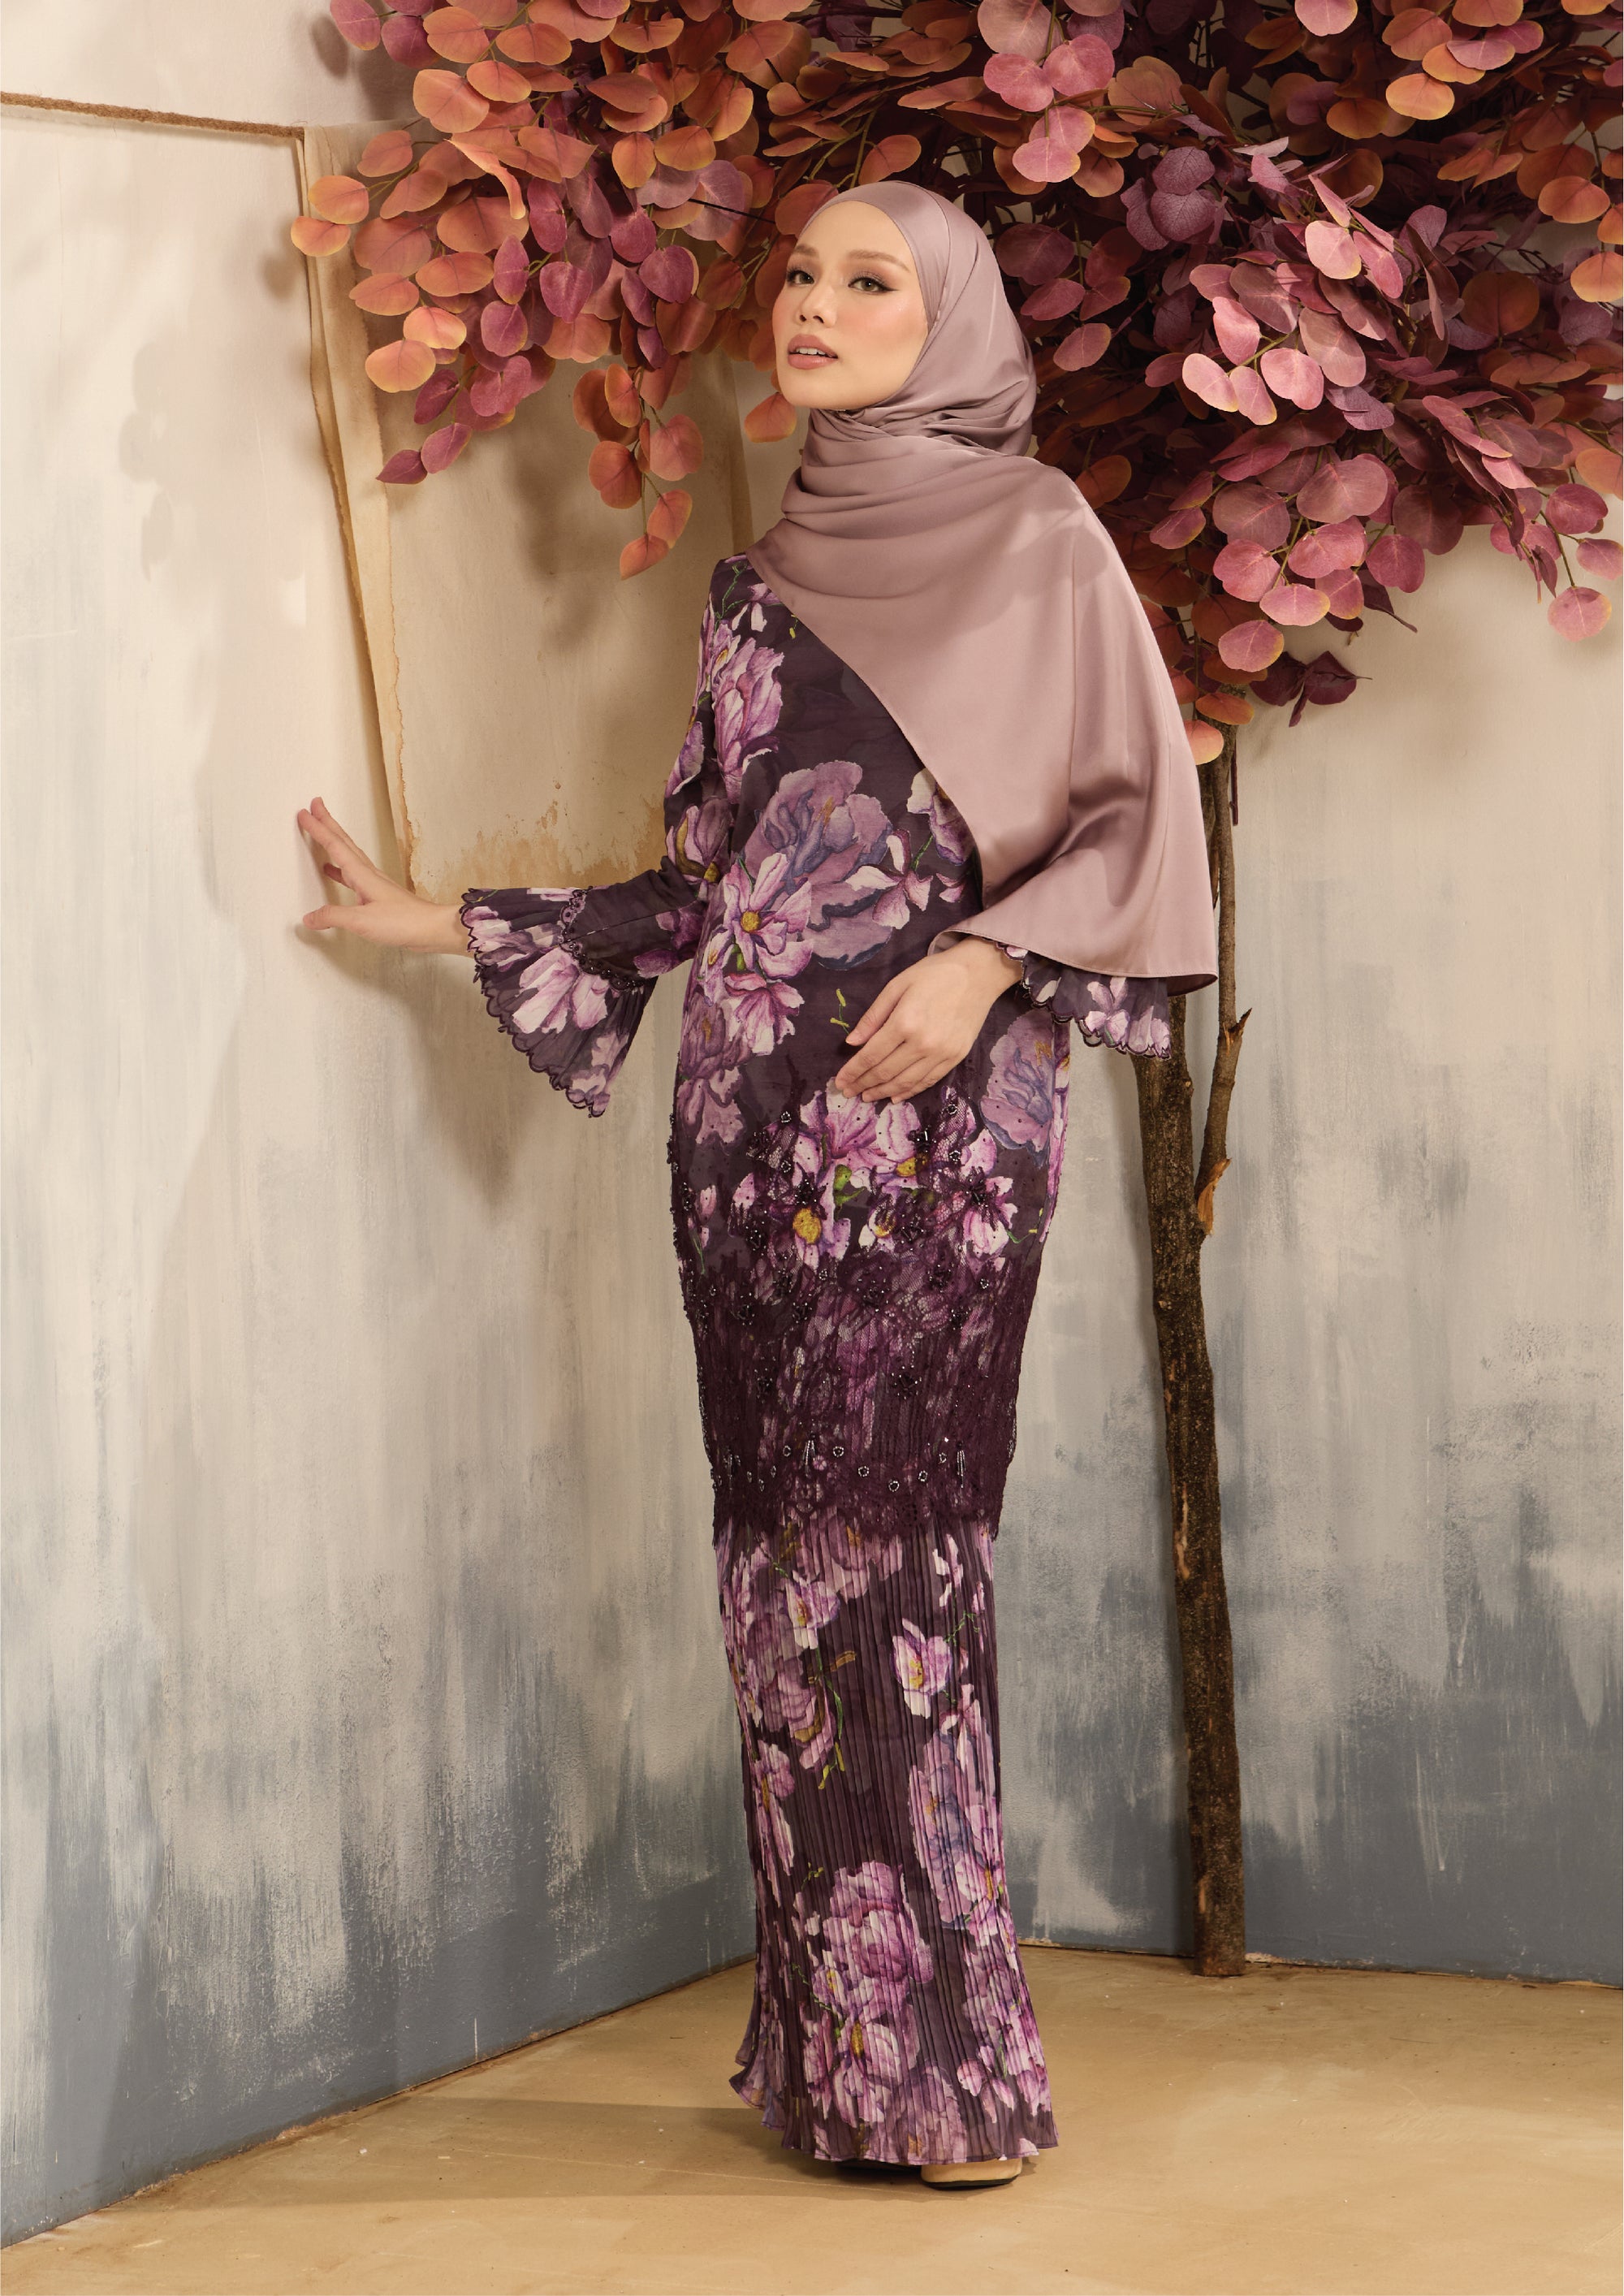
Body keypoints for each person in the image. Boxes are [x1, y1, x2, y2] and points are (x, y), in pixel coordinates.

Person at [296, 179, 1216, 2187]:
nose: (814, 305)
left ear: (947, 320)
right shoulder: (758, 582)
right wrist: (442, 920)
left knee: (901, 1562)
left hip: (941, 1130)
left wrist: (985, 964)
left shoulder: (1041, 542)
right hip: (747, 1137)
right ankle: (839, 2065)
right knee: (784, 1580)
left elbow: (1136, 830)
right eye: (801, 275)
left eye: (868, 281)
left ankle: (948, 2075)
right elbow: (708, 891)